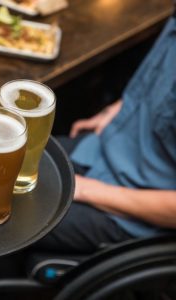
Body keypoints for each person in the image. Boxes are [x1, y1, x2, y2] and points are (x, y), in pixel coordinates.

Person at [32, 6, 176, 254]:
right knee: (4, 168)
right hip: (106, 148)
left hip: (135, 208)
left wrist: (88, 190)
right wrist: (119, 109)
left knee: (13, 214)